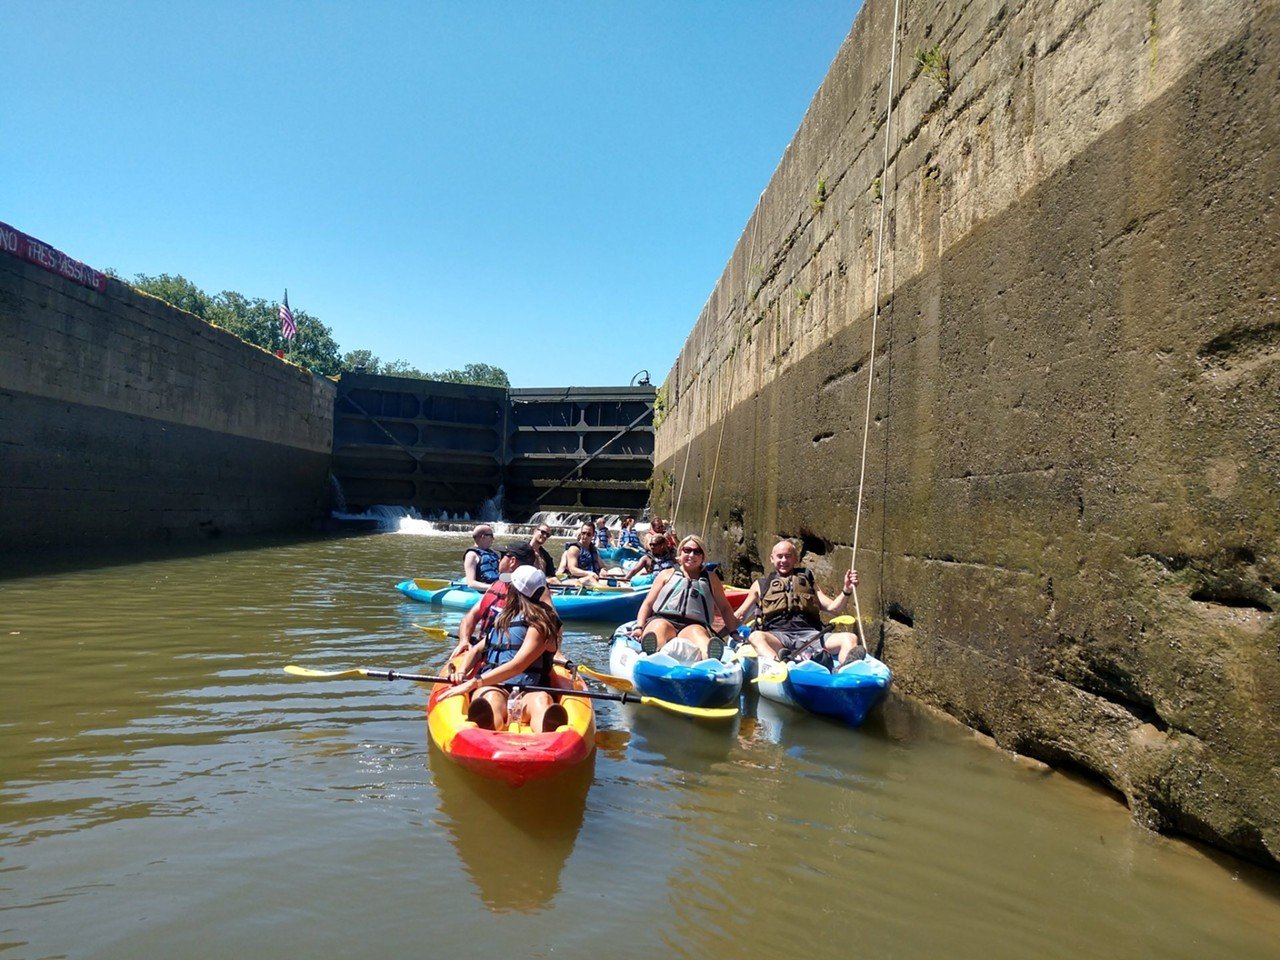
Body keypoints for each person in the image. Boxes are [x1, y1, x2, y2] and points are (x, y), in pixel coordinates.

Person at [440, 566, 568, 733]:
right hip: (495, 686)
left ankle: (547, 731)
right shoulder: (504, 618)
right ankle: (489, 726)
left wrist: (474, 682)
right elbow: (478, 650)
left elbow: (517, 666)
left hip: (529, 689)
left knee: (541, 700)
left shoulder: (541, 625)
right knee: (491, 698)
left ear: (515, 590)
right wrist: (462, 671)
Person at [734, 539, 864, 667]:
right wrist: (724, 631)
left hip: (811, 635)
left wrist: (846, 590)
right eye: (780, 557)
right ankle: (779, 665)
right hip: (778, 637)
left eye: (788, 556)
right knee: (755, 637)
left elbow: (833, 608)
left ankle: (844, 670)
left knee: (850, 638)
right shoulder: (760, 585)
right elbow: (740, 614)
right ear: (772, 559)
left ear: (795, 559)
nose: (784, 560)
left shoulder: (807, 580)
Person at [631, 534, 740, 660]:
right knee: (658, 628)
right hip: (663, 619)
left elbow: (725, 608)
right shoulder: (666, 574)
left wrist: (734, 633)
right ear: (680, 552)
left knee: (699, 635)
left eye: (697, 552)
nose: (691, 555)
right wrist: (639, 627)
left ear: (703, 556)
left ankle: (710, 658)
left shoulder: (711, 578)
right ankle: (652, 655)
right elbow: (648, 604)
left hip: (693, 624)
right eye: (687, 550)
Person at [446, 541, 536, 670]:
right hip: (483, 651)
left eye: (503, 556)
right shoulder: (496, 586)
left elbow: (549, 627)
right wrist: (464, 640)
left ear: (512, 561)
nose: (499, 560)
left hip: (511, 657)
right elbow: (471, 617)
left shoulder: (533, 594)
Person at [462, 524, 500, 591]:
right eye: (491, 536)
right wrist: (494, 588)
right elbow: (471, 583)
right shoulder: (471, 555)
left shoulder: (492, 553)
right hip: (484, 591)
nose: (493, 538)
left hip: (497, 586)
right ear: (483, 537)